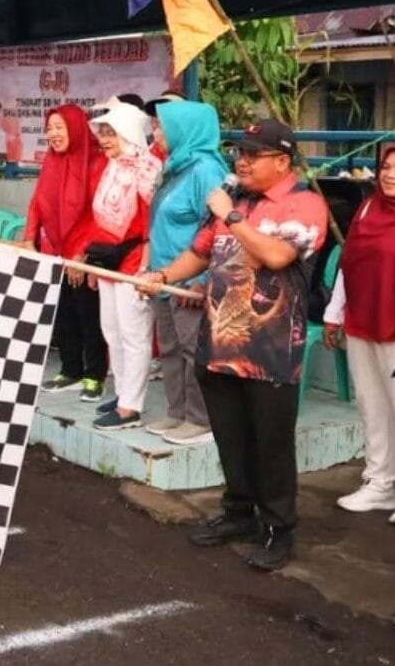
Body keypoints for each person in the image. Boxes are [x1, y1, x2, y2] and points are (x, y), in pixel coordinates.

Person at [141, 120, 328, 571]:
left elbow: (278, 256)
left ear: (282, 161)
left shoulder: (304, 203)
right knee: (231, 439)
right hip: (218, 345)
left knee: (271, 444)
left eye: (253, 154)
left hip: (271, 352)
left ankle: (279, 530)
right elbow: (201, 253)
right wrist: (163, 277)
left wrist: (232, 215)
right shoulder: (234, 200)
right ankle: (239, 513)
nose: (241, 161)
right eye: (239, 153)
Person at [146, 100, 226, 444]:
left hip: (191, 281)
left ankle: (201, 418)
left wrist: (203, 279)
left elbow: (221, 230)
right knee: (169, 347)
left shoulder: (206, 171)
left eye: (161, 126)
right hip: (164, 276)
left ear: (185, 130)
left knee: (195, 349)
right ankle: (176, 412)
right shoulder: (175, 167)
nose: (156, 133)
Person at [326, 146, 395, 520]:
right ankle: (380, 483)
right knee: (373, 405)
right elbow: (348, 263)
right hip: (363, 319)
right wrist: (334, 313)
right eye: (386, 167)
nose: (390, 175)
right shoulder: (368, 208)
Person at [86, 103, 162, 430]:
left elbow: (150, 226)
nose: (104, 139)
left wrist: (144, 267)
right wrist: (94, 264)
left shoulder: (149, 170)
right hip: (108, 263)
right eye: (101, 132)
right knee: (112, 333)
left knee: (134, 335)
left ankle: (132, 406)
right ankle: (122, 394)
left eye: (110, 132)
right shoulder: (112, 167)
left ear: (128, 133)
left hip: (134, 263)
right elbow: (99, 219)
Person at [24, 105, 106, 402]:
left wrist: (80, 255)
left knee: (89, 314)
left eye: (60, 127)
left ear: (75, 127)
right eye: (50, 128)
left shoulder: (96, 161)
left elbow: (97, 213)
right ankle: (70, 369)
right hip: (56, 251)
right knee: (63, 312)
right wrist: (29, 237)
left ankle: (94, 375)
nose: (53, 134)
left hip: (84, 254)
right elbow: (38, 201)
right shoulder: (51, 160)